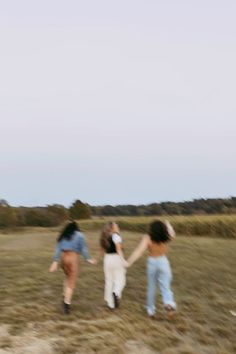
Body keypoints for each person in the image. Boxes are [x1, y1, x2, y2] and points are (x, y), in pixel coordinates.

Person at [127, 220, 176, 318]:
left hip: (152, 263)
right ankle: (169, 304)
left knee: (151, 286)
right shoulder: (165, 235)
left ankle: (150, 310)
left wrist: (128, 262)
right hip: (163, 262)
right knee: (165, 286)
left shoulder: (147, 237)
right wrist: (168, 225)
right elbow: (173, 233)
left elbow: (139, 251)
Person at [49, 221, 96, 314]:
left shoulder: (64, 235)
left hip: (63, 258)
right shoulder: (80, 235)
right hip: (73, 258)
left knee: (67, 277)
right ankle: (67, 304)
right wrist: (88, 259)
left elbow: (58, 249)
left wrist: (55, 261)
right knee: (71, 282)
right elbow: (83, 248)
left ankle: (64, 295)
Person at [100, 222, 127, 309]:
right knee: (121, 279)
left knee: (109, 281)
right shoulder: (116, 236)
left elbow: (102, 250)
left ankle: (110, 304)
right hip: (116, 259)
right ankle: (116, 292)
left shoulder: (105, 237)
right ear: (112, 228)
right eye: (116, 226)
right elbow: (119, 250)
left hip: (107, 259)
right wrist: (123, 261)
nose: (118, 226)